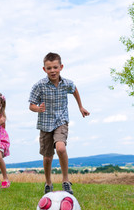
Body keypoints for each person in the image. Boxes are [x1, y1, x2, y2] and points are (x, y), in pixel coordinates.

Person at [29, 52, 90, 194]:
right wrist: (37, 108)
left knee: (61, 148)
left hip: (61, 120)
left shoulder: (66, 83)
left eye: (55, 67)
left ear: (61, 67)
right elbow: (31, 105)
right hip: (45, 123)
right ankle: (48, 183)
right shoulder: (39, 86)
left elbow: (74, 89)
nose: (52, 71)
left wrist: (80, 106)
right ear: (44, 69)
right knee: (48, 156)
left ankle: (65, 181)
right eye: (49, 68)